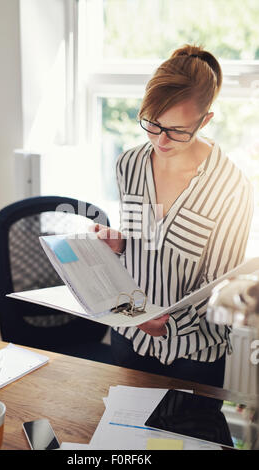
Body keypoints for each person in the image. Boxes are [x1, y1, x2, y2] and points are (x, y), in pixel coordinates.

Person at [93, 44, 254, 387]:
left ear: (205, 120)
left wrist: (169, 324)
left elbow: (220, 283)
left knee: (188, 440)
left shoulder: (231, 186)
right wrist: (120, 243)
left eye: (178, 130)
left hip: (193, 356)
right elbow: (145, 240)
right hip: (130, 338)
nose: (161, 140)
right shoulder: (130, 164)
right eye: (153, 124)